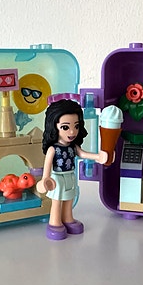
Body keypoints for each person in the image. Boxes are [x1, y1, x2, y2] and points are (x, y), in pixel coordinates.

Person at [36, 98, 107, 240]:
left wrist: (98, 157)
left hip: (70, 176)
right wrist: (45, 179)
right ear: (54, 126)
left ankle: (68, 219)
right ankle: (55, 222)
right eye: (65, 127)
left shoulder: (73, 147)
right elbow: (47, 166)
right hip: (57, 178)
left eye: (76, 126)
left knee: (69, 199)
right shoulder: (52, 149)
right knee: (57, 201)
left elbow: (83, 154)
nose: (72, 131)